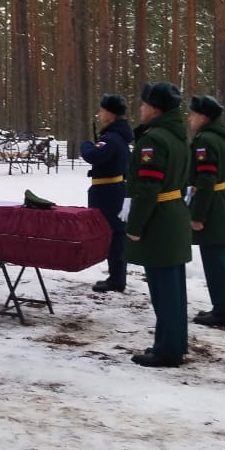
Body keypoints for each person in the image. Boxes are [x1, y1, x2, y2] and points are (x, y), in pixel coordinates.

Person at [125, 81, 192, 367]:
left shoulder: (153, 140)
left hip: (160, 218)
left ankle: (167, 350)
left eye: (143, 104)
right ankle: (174, 343)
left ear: (154, 108)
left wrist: (135, 225)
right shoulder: (177, 137)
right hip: (174, 213)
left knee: (164, 290)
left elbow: (147, 187)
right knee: (174, 289)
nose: (140, 108)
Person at [187, 94, 225, 328]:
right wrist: (221, 198)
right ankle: (222, 307)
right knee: (222, 261)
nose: (190, 119)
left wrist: (198, 215)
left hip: (210, 208)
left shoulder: (205, 141)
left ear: (204, 117)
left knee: (215, 262)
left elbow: (206, 179)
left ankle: (221, 313)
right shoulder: (220, 139)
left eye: (193, 114)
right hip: (220, 203)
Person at [79, 93, 133, 293]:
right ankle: (116, 277)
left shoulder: (111, 139)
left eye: (102, 110)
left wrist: (85, 145)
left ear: (110, 114)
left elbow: (93, 155)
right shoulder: (118, 137)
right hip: (112, 192)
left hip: (108, 194)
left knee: (116, 237)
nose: (99, 114)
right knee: (116, 236)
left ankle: (117, 279)